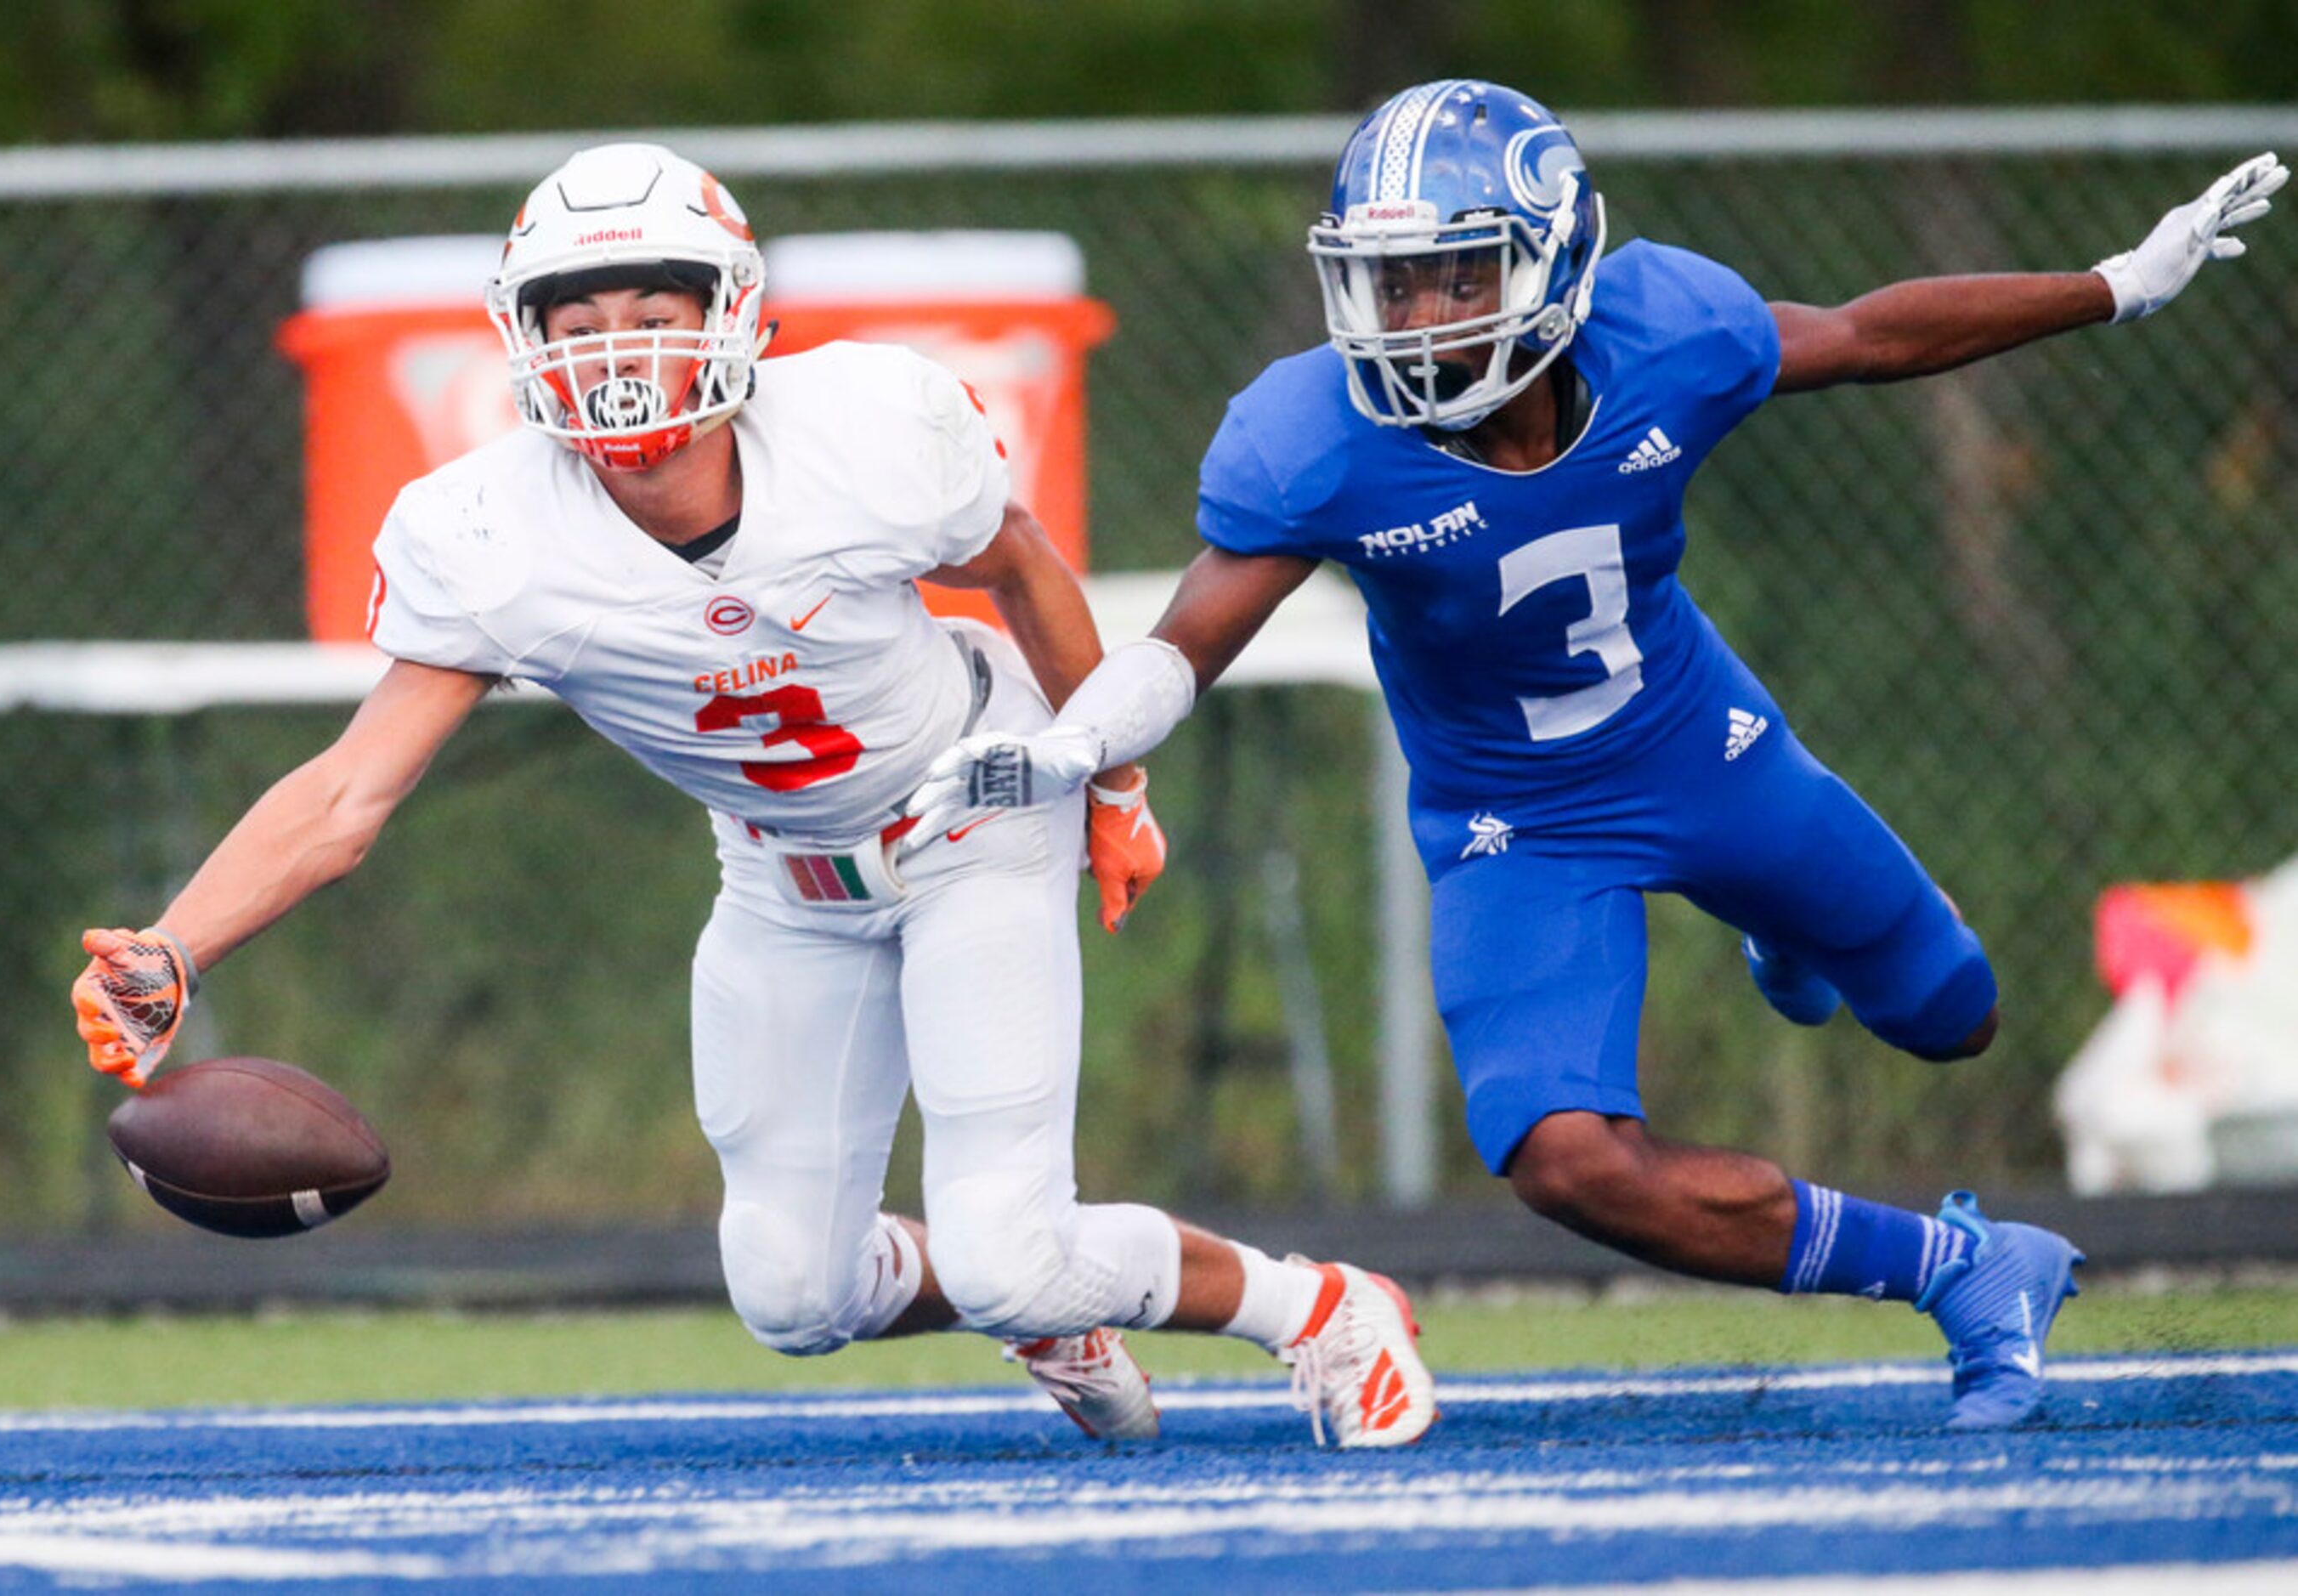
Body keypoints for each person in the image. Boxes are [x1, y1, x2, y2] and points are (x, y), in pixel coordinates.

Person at [908, 80, 2286, 1431]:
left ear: (1553, 256)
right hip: (1516, 823)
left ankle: (1780, 936)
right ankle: (1962, 1267)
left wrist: (2114, 282)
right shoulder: (1318, 438)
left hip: (1702, 746)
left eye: (1452, 277)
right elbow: (1187, 642)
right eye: (1387, 284)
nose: (1413, 319)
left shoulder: (1661, 331)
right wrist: (1075, 740)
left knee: (1952, 1012)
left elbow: (1869, 334)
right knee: (1565, 1164)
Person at [68, 142, 1434, 1450]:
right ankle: (1039, 1309)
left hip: (971, 810)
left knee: (1012, 1251)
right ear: (524, 336)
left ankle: (1318, 1305)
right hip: (783, 873)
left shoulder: (866, 425)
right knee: (794, 1297)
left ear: (730, 315)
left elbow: (1019, 568)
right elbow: (346, 791)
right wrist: (173, 945)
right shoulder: (488, 537)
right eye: (581, 316)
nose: (618, 349)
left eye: (653, 310)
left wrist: (1110, 776)